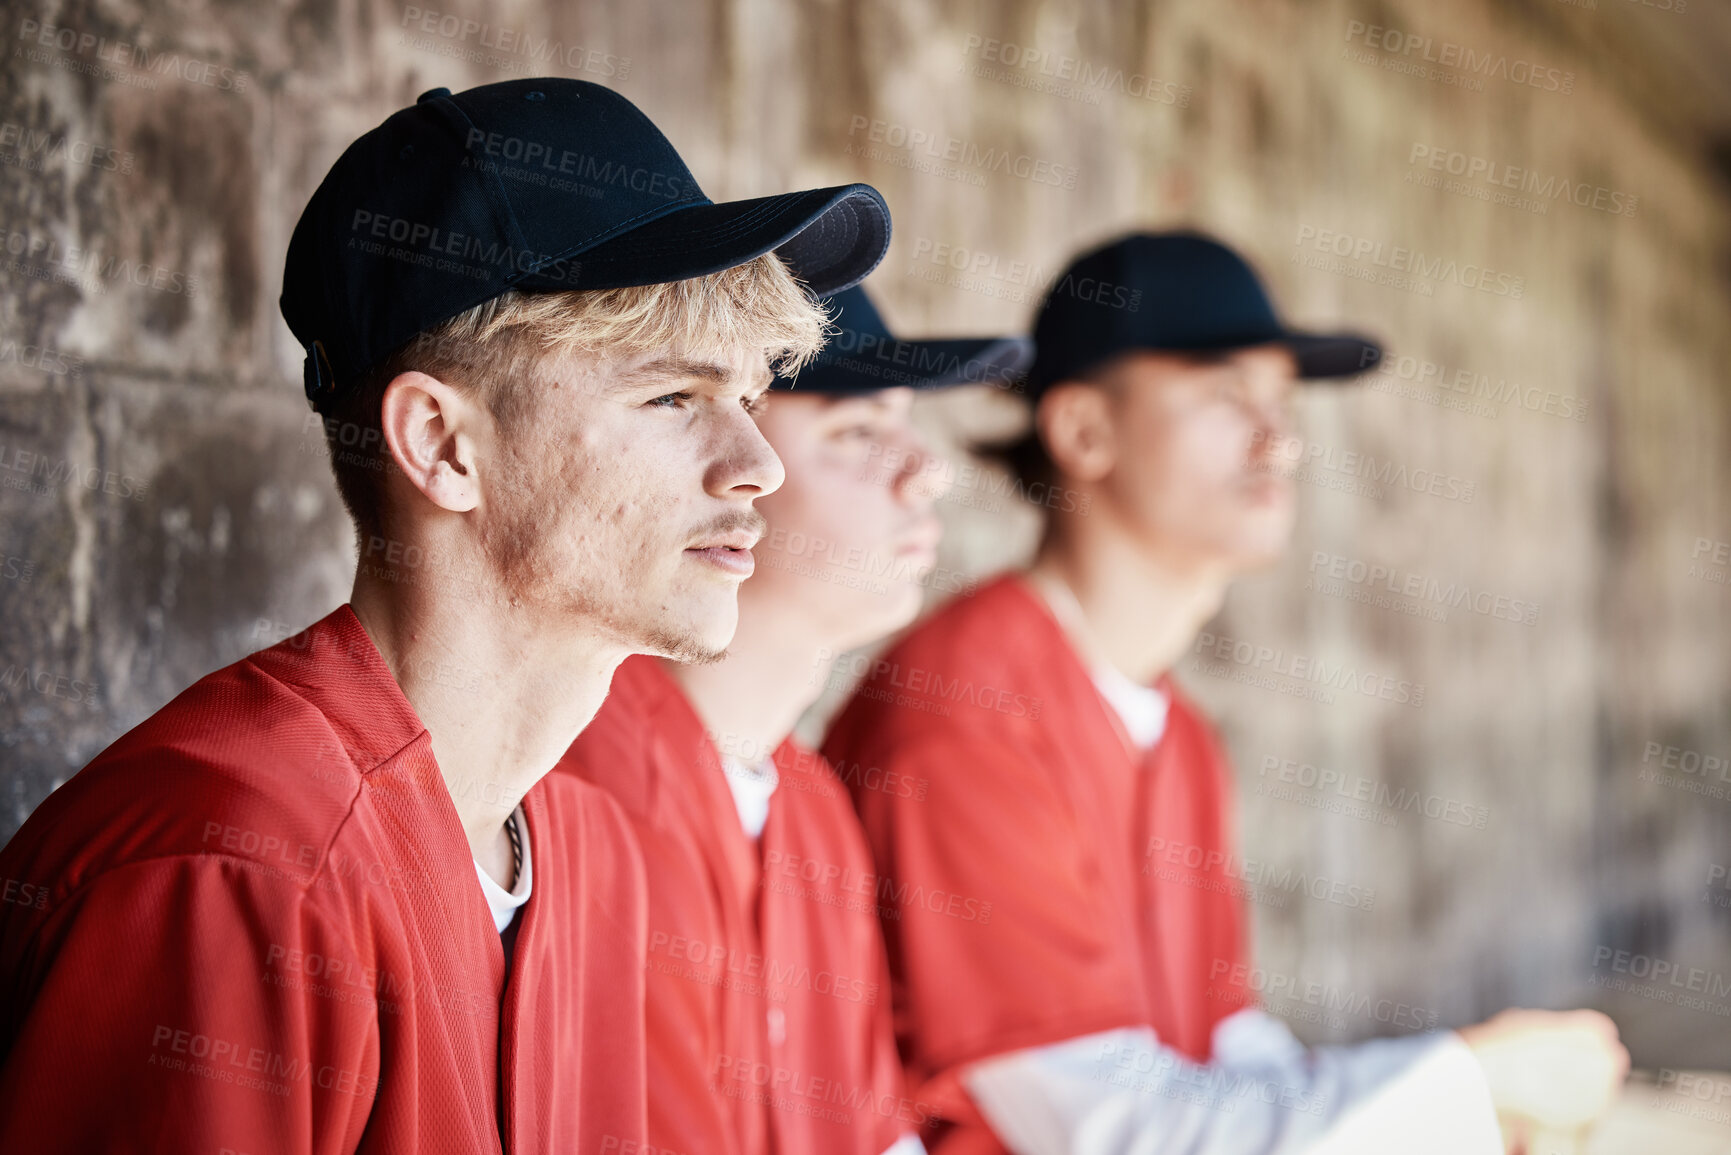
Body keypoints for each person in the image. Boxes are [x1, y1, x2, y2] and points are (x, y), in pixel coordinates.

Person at [0, 78, 889, 1154]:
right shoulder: (233, 869)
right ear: (440, 446)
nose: (756, 467)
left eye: (747, 400)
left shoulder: (591, 853)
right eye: (672, 398)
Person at [822, 233, 1629, 1155]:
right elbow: (1109, 1132)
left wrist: (1467, 1097)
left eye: (1281, 399)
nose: (1277, 438)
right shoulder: (960, 715)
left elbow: (1225, 1053)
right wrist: (1461, 1086)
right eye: (1223, 394)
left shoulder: (1179, 733)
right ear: (1084, 431)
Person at [559, 283, 1030, 1155]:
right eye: (855, 431)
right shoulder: (578, 777)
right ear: (736, 467)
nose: (925, 468)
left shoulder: (814, 812)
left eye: (903, 423)